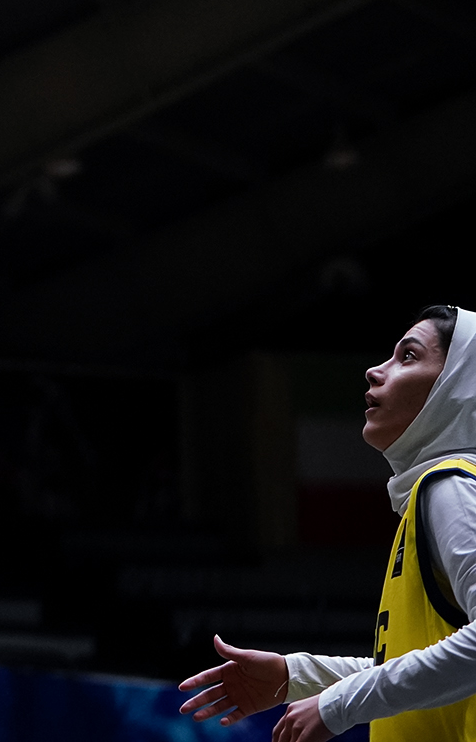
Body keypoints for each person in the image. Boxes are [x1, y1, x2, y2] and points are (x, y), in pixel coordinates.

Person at [180, 305, 476, 742]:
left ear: (459, 388)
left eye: (408, 356)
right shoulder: (436, 491)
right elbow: (422, 669)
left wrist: (339, 704)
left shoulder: (451, 486)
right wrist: (296, 675)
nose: (375, 370)